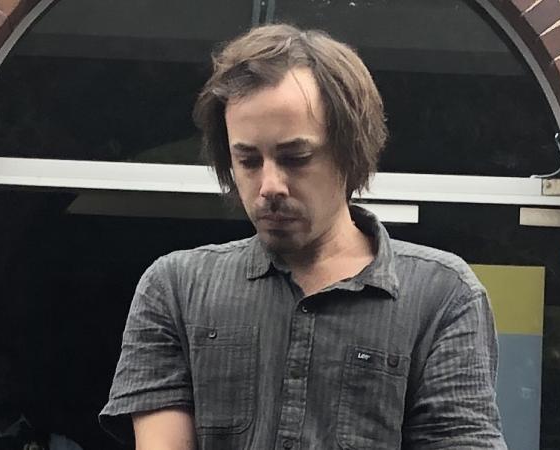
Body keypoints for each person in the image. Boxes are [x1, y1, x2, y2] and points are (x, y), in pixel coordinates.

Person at [99, 24, 507, 449]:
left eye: (296, 157)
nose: (269, 184)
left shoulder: (443, 296)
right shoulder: (176, 289)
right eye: (248, 160)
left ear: (351, 151)